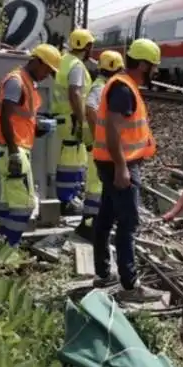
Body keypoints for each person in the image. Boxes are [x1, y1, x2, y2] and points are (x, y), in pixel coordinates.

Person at [91, 38, 163, 302]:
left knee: (107, 217)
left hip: (114, 162)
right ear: (143, 64)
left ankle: (102, 274)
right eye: (153, 66)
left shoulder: (123, 85)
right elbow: (113, 129)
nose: (155, 71)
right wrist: (122, 167)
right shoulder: (123, 89)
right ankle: (130, 286)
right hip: (119, 164)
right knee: (128, 223)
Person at [0, 44, 61, 246]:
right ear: (37, 61)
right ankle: (9, 249)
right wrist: (14, 152)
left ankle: (0, 248)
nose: (47, 75)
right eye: (47, 70)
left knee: (10, 205)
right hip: (13, 150)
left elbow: (18, 119)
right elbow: (5, 117)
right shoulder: (17, 82)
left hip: (12, 149)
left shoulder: (25, 82)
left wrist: (37, 129)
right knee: (24, 206)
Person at [75, 50, 124, 241]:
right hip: (99, 146)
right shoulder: (101, 87)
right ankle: (89, 225)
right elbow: (91, 110)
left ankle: (90, 223)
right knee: (96, 185)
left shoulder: (102, 85)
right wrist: (101, 137)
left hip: (97, 145)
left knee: (95, 185)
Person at [52, 28, 95, 213]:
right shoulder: (76, 65)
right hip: (72, 119)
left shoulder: (63, 60)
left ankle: (67, 197)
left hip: (62, 117)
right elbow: (75, 92)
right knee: (72, 161)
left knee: (67, 159)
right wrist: (82, 119)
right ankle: (67, 201)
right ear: (87, 46)